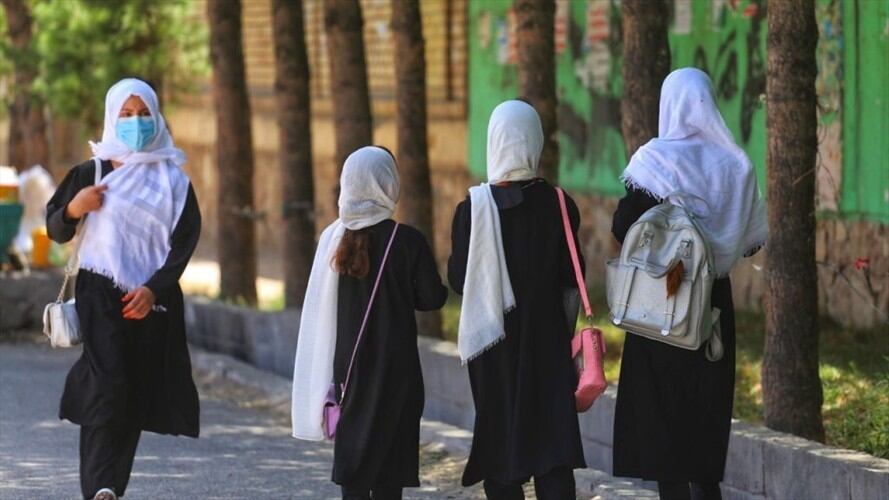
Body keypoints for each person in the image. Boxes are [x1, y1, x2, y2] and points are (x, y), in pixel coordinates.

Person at [610, 68, 768, 500]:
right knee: (705, 416)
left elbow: (623, 226)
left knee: (664, 424)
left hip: (665, 297)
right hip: (714, 302)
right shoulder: (737, 164)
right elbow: (750, 244)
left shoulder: (657, 161)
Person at [46, 78, 201, 500]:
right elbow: (54, 226)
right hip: (100, 294)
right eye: (126, 115)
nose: (135, 122)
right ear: (112, 117)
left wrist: (154, 289)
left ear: (157, 116)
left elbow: (184, 242)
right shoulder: (90, 172)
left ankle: (111, 486)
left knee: (133, 389)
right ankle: (99, 485)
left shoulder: (173, 180)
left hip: (150, 301)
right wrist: (76, 208)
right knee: (107, 384)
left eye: (143, 113)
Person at [448, 100, 587, 500]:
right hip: (547, 343)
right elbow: (572, 277)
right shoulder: (560, 204)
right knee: (553, 448)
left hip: (493, 347)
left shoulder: (473, 210)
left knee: (501, 445)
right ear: (535, 142)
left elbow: (459, 281)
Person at [291, 146, 448, 500]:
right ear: (388, 184)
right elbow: (432, 299)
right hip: (398, 375)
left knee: (356, 476)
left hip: (349, 375)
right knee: (389, 478)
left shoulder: (334, 240)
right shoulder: (407, 241)